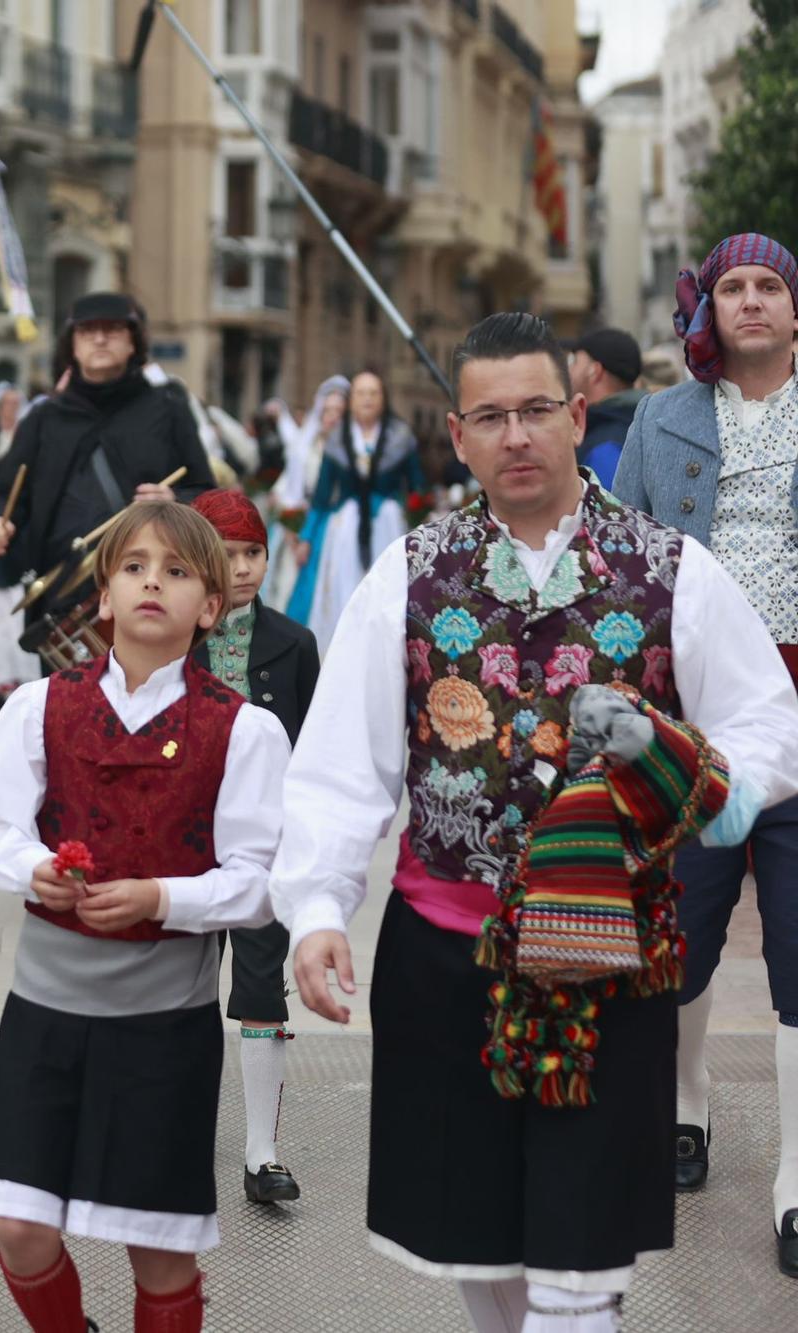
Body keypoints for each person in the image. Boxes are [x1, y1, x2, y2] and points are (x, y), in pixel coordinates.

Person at [273, 312, 798, 1329]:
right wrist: (313, 907)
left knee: (578, 1262)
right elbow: (339, 769)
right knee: (483, 1245)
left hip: (608, 953)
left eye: (533, 411)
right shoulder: (406, 575)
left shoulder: (670, 568)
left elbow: (763, 724)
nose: (514, 435)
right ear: (456, 432)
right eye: (489, 415)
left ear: (575, 412)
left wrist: (698, 785)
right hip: (443, 955)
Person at [0, 499, 290, 1333]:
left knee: (160, 1245)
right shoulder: (37, 705)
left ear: (211, 607)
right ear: (104, 595)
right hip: (45, 1007)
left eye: (179, 572)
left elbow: (259, 882)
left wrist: (160, 898)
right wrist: (41, 872)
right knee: (18, 1224)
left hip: (164, 1020)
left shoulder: (244, 729)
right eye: (135, 566)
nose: (155, 582)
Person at [611, 232, 798, 1276]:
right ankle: (684, 1114)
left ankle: (795, 1181)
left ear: (793, 308)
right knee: (676, 928)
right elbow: (630, 563)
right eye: (732, 286)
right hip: (698, 722)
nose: (751, 302)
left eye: (769, 286)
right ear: (708, 308)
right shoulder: (662, 417)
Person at [186, 488, 319, 1205]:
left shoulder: (294, 643)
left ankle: (262, 1152)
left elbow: (317, 749)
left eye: (251, 553)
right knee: (179, 980)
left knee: (264, 985)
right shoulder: (170, 636)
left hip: (267, 843)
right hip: (184, 841)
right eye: (225, 551)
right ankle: (174, 1131)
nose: (239, 567)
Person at [0, 294, 216, 593]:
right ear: (72, 346)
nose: (100, 339)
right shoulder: (44, 417)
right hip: (60, 588)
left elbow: (206, 492)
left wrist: (175, 501)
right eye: (88, 331)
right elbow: (3, 491)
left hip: (152, 582)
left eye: (113, 329)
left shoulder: (168, 408)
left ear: (133, 342)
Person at [283, 367, 423, 651]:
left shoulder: (401, 437)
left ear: (383, 398)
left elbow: (418, 489)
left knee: (387, 592)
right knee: (345, 593)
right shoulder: (336, 441)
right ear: (352, 399)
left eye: (374, 393)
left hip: (388, 526)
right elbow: (322, 497)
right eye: (361, 393)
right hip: (345, 530)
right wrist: (307, 538)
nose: (367, 399)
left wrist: (420, 523)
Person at [262, 375, 349, 610]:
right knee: (289, 587)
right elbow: (291, 484)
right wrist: (292, 524)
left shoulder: (350, 452)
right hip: (300, 526)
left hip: (336, 529)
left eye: (338, 410)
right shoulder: (307, 447)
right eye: (327, 410)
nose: (332, 416)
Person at [566, 327, 645, 489]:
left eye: (574, 362)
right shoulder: (641, 423)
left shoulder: (604, 449)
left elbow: (607, 509)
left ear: (594, 371)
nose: (568, 371)